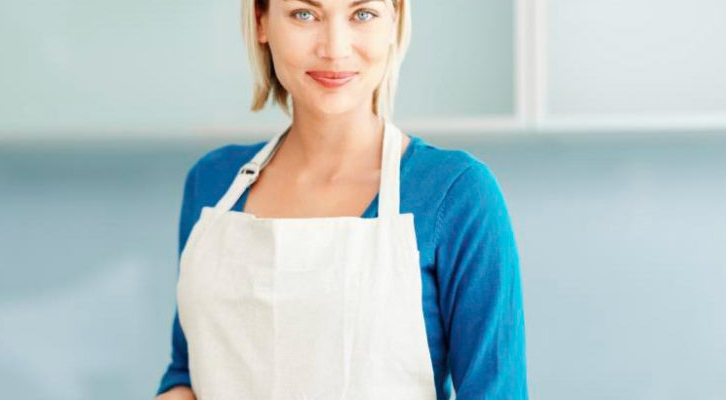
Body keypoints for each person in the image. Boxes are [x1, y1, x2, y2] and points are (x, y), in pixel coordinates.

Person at [155, 0, 527, 398]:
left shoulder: (457, 193)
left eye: (362, 14)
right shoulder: (213, 183)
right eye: (304, 14)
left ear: (394, 21)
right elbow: (188, 373)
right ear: (261, 22)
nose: (334, 48)